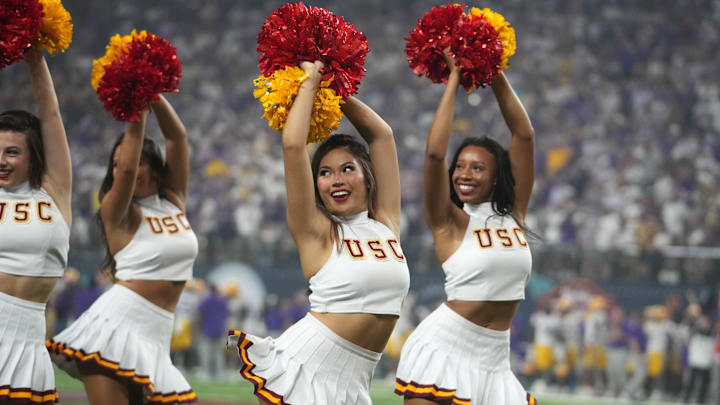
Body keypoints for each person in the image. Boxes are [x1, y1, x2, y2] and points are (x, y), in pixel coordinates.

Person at [227, 60, 410, 405]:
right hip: (308, 370)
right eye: (325, 172)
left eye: (347, 169)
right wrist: (311, 84)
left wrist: (336, 88)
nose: (336, 179)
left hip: (354, 384)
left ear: (368, 176)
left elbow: (382, 135)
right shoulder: (316, 230)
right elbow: (294, 147)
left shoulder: (386, 222)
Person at [394, 51, 538, 405]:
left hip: (495, 360)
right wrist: (455, 77)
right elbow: (433, 155)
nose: (464, 174)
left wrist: (494, 71)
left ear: (496, 177)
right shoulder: (448, 221)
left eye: (478, 168)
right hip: (445, 347)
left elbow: (523, 135)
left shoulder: (514, 213)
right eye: (460, 166)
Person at [47, 95, 198, 405]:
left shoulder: (173, 201)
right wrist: (136, 107)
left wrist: (151, 93)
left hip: (155, 336)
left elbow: (177, 136)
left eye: (136, 160)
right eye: (114, 164)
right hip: (116, 328)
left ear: (155, 168)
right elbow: (127, 174)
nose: (123, 168)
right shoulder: (115, 210)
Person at [0, 48, 72, 405]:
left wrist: (33, 56)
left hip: (28, 340)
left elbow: (51, 113)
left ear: (33, 155)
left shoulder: (54, 190)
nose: (1, 161)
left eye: (12, 152)